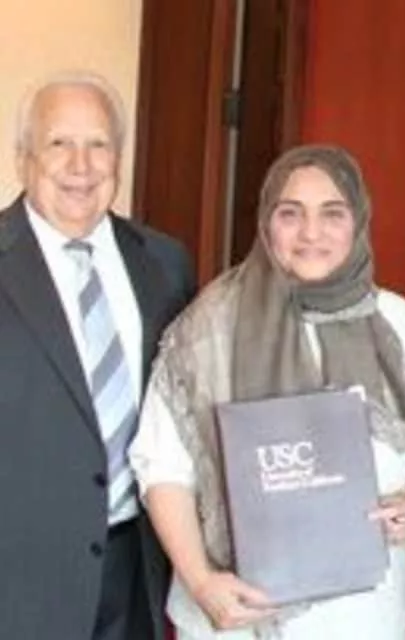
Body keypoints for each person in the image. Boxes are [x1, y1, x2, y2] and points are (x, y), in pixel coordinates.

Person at [128, 145, 405, 639]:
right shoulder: (209, 329)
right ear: (265, 222)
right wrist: (200, 581)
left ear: (359, 221)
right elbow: (162, 467)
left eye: (333, 213)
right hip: (236, 617)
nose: (311, 233)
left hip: (367, 617)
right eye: (290, 213)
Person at [0, 71, 195, 639]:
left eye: (98, 144)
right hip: (16, 583)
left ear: (119, 158)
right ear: (23, 158)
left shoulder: (165, 264)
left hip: (136, 573)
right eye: (59, 143)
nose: (80, 166)